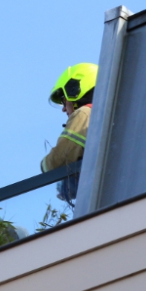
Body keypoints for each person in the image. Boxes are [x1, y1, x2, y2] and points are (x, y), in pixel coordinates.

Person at [42, 63, 97, 204]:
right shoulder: (105, 114)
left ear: (75, 90)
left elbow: (58, 162)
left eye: (63, 101)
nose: (63, 109)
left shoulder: (84, 114)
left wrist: (44, 165)